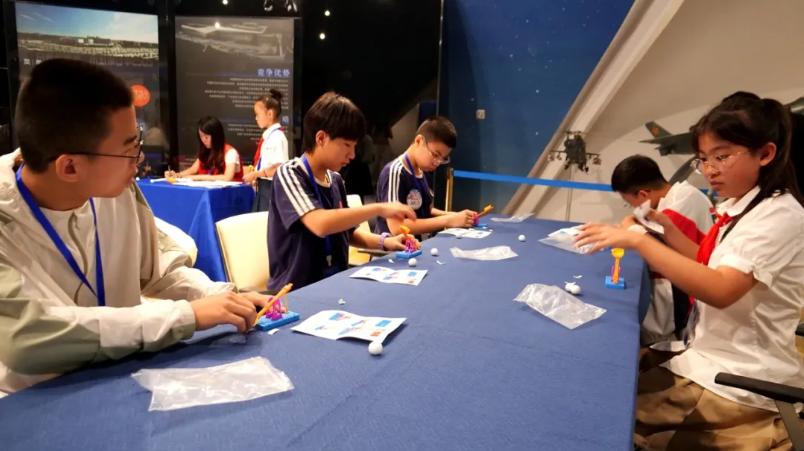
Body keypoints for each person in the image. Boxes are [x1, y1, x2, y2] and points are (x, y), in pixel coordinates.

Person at [0, 59, 270, 394]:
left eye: (137, 141)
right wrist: (186, 316)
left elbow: (160, 270)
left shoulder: (117, 190)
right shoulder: (7, 219)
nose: (139, 160)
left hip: (124, 381)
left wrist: (222, 297)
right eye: (129, 149)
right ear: (70, 167)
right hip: (38, 401)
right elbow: (29, 339)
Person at [576, 92, 803, 450]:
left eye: (722, 156)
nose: (710, 169)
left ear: (765, 154)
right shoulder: (742, 206)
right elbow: (708, 261)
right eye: (704, 159)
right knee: (612, 370)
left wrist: (639, 241)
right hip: (705, 352)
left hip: (735, 376)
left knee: (605, 415)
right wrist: (666, 228)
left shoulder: (779, 215)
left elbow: (721, 289)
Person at [268, 92, 417, 291]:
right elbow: (320, 224)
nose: (352, 154)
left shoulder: (336, 180)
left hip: (334, 285)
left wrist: (386, 242)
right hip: (295, 291)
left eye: (355, 146)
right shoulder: (290, 173)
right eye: (347, 145)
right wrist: (379, 208)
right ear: (321, 138)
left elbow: (348, 233)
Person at [611, 154, 713, 344]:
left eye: (630, 202)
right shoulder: (677, 194)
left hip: (685, 299)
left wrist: (631, 230)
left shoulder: (679, 207)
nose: (632, 208)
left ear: (643, 194)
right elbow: (635, 220)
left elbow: (657, 250)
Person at [374, 116, 476, 236]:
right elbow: (397, 227)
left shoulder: (423, 171)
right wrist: (447, 220)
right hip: (393, 246)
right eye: (435, 155)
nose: (437, 162)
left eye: (443, 158)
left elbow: (426, 210)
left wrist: (455, 216)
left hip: (417, 244)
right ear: (419, 141)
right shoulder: (395, 172)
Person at [244, 89, 289, 211]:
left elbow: (278, 168)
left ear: (270, 114)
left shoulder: (277, 137)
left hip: (271, 189)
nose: (256, 118)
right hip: (264, 188)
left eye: (258, 114)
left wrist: (256, 174)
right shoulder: (269, 137)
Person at [166, 116, 243, 181]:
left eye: (206, 137)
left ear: (216, 136)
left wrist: (198, 177)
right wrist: (178, 175)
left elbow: (227, 177)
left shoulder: (230, 152)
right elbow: (193, 169)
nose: (203, 140)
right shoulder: (206, 151)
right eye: (201, 136)